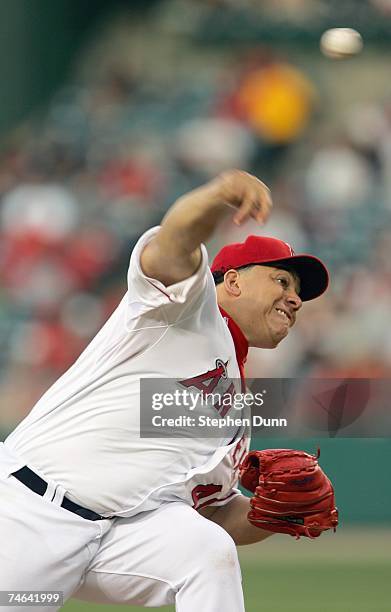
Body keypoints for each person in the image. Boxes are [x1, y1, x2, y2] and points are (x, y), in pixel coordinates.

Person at [0, 170, 330, 612]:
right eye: (282, 281)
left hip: (117, 537)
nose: (295, 299)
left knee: (206, 553)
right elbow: (174, 243)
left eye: (299, 294)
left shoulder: (236, 412)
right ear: (231, 281)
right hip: (29, 513)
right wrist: (218, 195)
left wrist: (271, 513)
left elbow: (213, 512)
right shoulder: (185, 308)